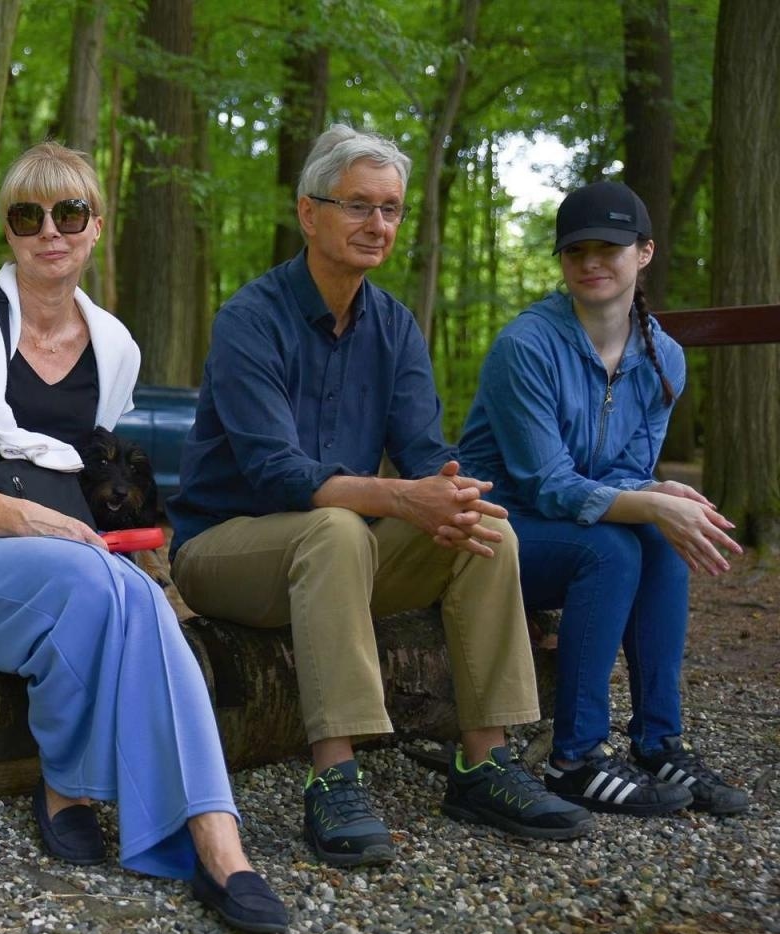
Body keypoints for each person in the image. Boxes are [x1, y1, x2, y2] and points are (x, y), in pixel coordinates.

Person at [167, 124, 592, 869]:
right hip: (225, 548)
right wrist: (399, 497)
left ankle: (483, 763)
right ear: (309, 213)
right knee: (333, 527)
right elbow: (276, 474)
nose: (379, 225)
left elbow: (427, 457)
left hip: (345, 548)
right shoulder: (250, 320)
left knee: (482, 528)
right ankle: (333, 774)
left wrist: (454, 494)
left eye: (391, 209)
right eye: (359, 206)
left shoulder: (395, 327)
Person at [0, 141, 289, 934]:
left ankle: (217, 839)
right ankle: (77, 786)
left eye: (68, 213)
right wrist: (29, 520)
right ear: (6, 230)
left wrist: (99, 537)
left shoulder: (113, 344)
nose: (50, 231)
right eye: (26, 215)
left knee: (134, 591)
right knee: (99, 584)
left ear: (96, 227)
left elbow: (94, 474)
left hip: (67, 554)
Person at [457, 181, 749, 817]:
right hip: (495, 532)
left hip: (567, 523)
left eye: (609, 248)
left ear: (643, 253)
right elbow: (546, 483)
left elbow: (622, 468)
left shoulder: (662, 355)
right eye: (576, 250)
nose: (591, 262)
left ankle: (658, 742)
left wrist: (655, 491)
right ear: (562, 261)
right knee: (614, 549)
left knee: (659, 540)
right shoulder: (526, 347)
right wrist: (647, 502)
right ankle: (575, 759)